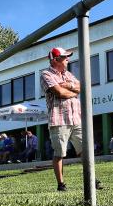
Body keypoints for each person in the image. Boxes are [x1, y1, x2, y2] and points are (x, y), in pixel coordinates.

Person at [40, 47, 102, 192]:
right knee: (59, 153)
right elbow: (59, 92)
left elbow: (82, 87)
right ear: (56, 60)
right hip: (59, 119)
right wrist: (71, 90)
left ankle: (92, 180)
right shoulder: (46, 74)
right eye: (65, 56)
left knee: (85, 150)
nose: (68, 58)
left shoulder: (68, 74)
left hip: (77, 118)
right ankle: (61, 184)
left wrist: (69, 85)